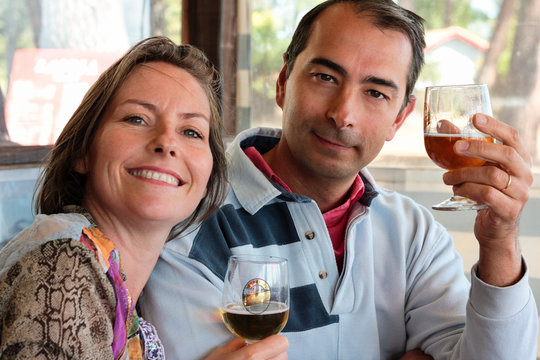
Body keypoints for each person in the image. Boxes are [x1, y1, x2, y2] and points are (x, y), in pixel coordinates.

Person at [140, 1, 538, 359]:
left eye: (376, 93)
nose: (343, 113)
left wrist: (500, 239)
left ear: (400, 118)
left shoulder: (413, 233)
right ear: (283, 81)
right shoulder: (186, 217)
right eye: (326, 77)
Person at [0, 36, 288, 359]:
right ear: (83, 152)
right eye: (136, 119)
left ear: (207, 181)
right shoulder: (65, 265)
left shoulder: (114, 280)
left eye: (191, 131)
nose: (166, 142)